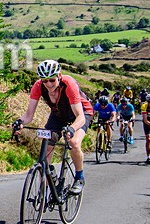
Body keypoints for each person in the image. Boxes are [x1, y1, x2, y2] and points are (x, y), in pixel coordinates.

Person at [13, 60, 92, 194]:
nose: (48, 84)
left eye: (52, 80)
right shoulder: (38, 86)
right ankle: (47, 180)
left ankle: (79, 177)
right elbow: (29, 115)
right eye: (45, 81)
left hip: (81, 113)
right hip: (58, 114)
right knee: (47, 143)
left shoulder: (68, 84)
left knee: (74, 142)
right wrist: (19, 122)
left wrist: (72, 129)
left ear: (59, 76)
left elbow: (80, 117)